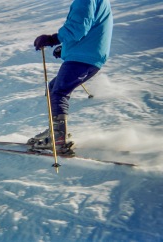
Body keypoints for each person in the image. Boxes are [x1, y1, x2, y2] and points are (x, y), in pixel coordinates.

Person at [30, 0, 113, 151]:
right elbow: (89, 28)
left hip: (83, 57)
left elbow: (78, 28)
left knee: (59, 91)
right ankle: (55, 131)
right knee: (54, 87)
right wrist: (66, 48)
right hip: (88, 54)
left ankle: (59, 138)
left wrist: (52, 39)